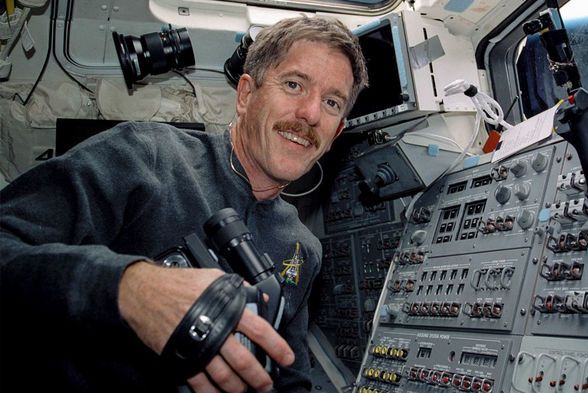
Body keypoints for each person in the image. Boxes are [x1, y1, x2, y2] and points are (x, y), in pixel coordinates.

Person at [0, 16, 368, 393]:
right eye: (293, 84)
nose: (310, 113)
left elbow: (289, 377)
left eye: (331, 102)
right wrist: (129, 288)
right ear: (245, 94)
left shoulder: (304, 250)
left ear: (337, 130)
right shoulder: (145, 154)